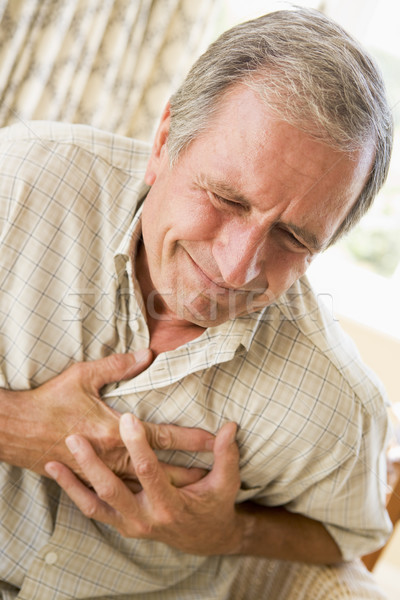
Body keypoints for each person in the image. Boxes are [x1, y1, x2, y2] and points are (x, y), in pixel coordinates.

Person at [0, 7, 394, 599]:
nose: (237, 267)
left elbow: (346, 536)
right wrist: (16, 426)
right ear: (164, 142)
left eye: (292, 238)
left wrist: (227, 533)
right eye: (227, 198)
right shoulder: (24, 180)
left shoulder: (336, 404)